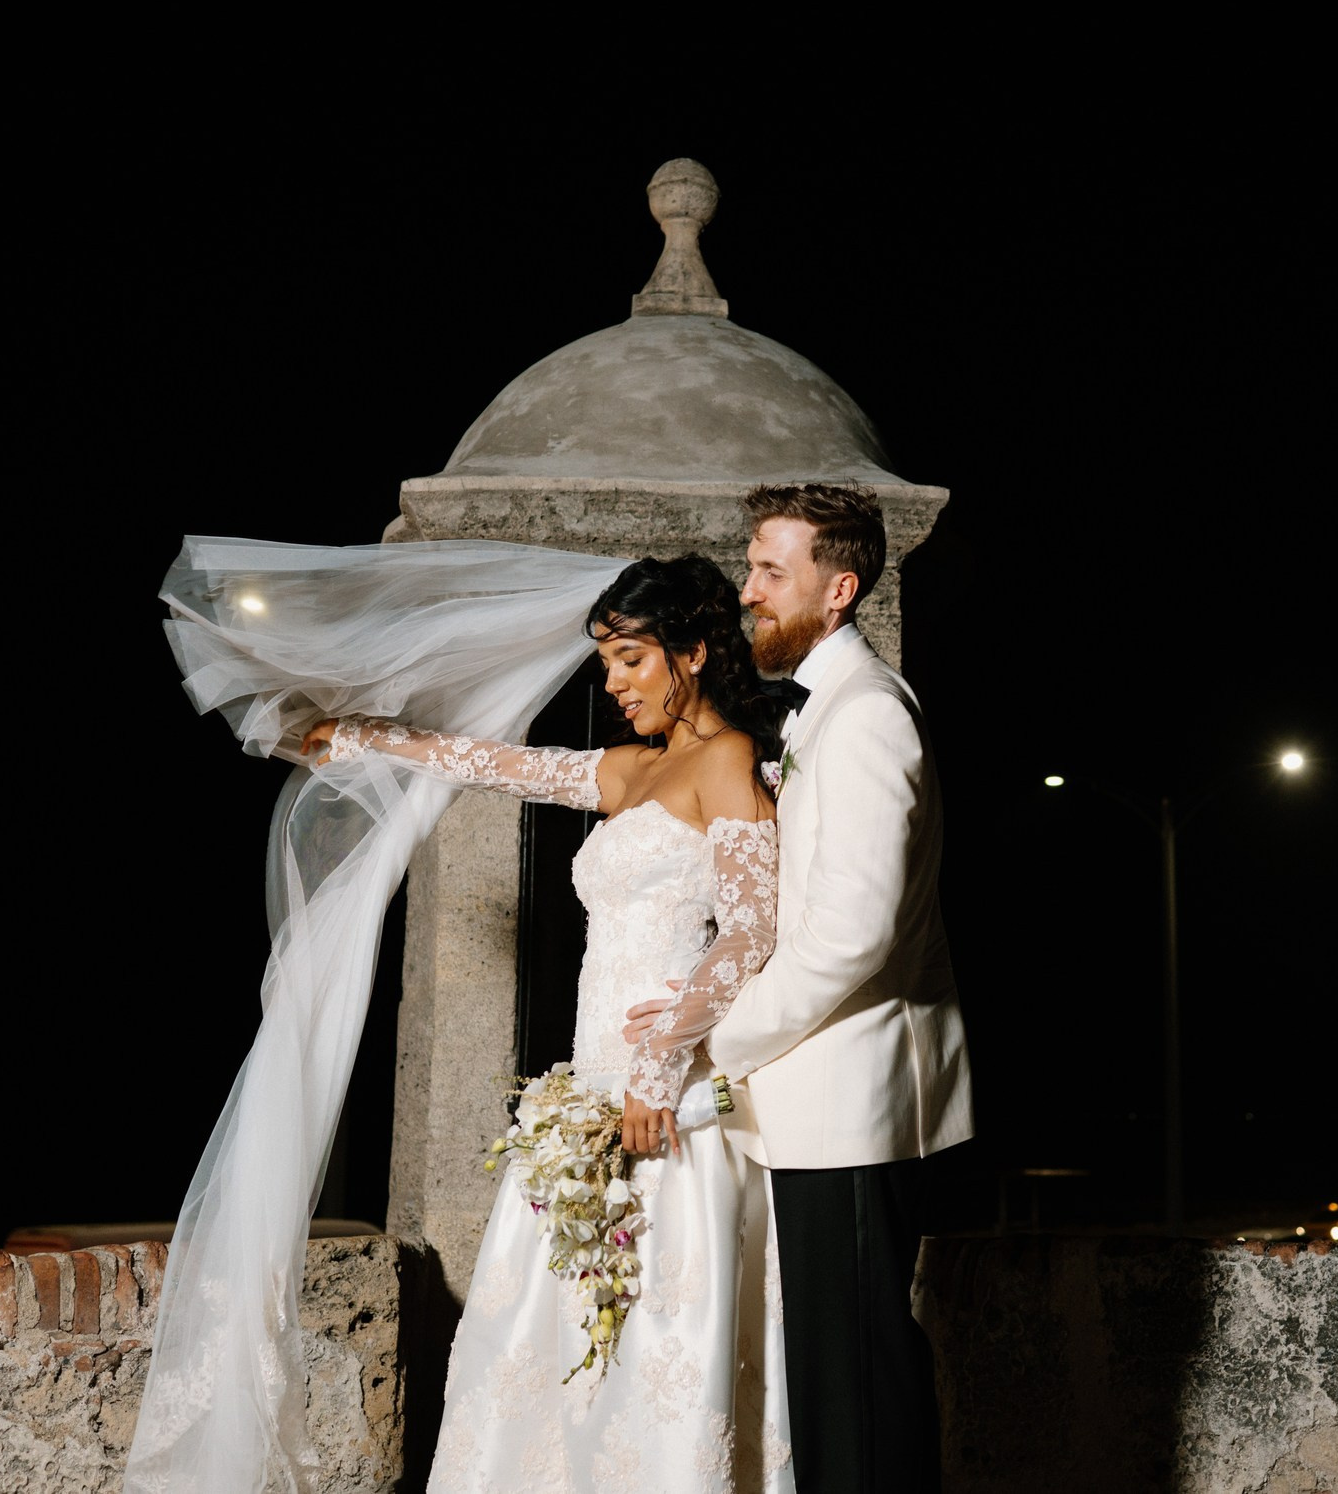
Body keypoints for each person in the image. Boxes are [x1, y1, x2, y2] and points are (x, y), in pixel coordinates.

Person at [302, 554, 796, 1491]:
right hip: (586, 1089)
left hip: (665, 1098)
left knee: (657, 1334)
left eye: (630, 659)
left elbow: (752, 927)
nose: (611, 684)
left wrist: (660, 1064)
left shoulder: (728, 760)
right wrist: (367, 739)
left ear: (692, 652)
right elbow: (501, 766)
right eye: (605, 661)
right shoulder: (633, 770)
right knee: (554, 1329)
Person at [625, 483, 973, 1494]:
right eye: (750, 566)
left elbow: (850, 938)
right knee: (836, 1380)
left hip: (851, 1106)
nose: (748, 591)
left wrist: (714, 1044)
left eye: (771, 571)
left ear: (840, 588)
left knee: (855, 1386)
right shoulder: (828, 712)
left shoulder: (866, 719)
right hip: (826, 1104)